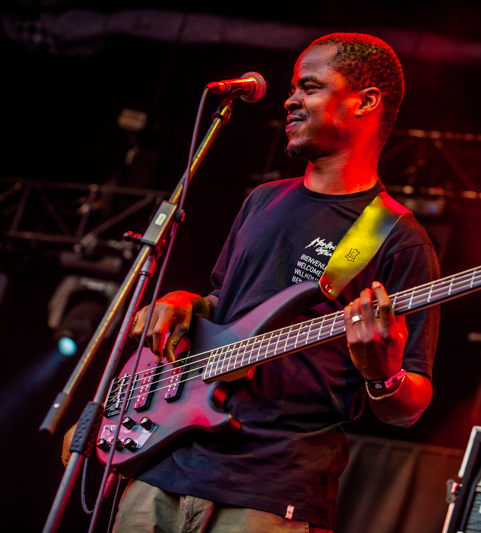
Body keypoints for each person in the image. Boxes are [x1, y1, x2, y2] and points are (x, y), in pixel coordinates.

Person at [100, 33, 440, 532]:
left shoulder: (397, 237)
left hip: (269, 492)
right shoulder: (263, 199)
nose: (289, 99)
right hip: (164, 467)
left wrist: (383, 373)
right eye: (292, 88)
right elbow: (222, 303)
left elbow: (410, 404)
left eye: (310, 87)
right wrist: (181, 300)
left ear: (365, 102)